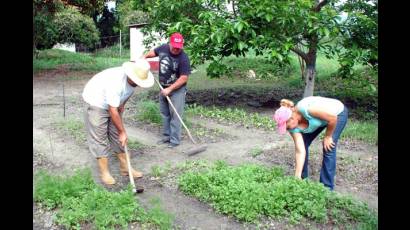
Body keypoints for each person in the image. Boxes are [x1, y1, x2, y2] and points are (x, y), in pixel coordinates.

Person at [82, 59, 154, 185]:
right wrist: (122, 131)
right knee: (100, 136)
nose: (139, 84)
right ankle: (104, 172)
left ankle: (125, 168)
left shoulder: (133, 81)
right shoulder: (115, 82)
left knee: (118, 136)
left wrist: (122, 105)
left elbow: (126, 95)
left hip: (113, 104)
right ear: (131, 75)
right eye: (137, 81)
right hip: (96, 102)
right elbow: (112, 109)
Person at [273, 96, 348, 190]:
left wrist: (328, 136)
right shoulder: (293, 127)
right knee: (303, 144)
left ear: (292, 117)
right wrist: (297, 175)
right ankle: (302, 180)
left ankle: (326, 188)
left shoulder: (307, 109)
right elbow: (300, 151)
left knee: (328, 146)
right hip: (321, 120)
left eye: (287, 127)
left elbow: (332, 118)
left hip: (337, 114)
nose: (288, 129)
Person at [142, 32, 191, 148]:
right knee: (165, 113)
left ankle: (174, 141)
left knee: (175, 115)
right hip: (163, 86)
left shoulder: (183, 58)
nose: (176, 49)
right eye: (174, 46)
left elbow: (184, 78)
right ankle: (166, 137)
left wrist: (169, 89)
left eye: (178, 48)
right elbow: (153, 52)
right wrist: (144, 57)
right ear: (170, 43)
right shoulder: (163, 48)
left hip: (177, 89)